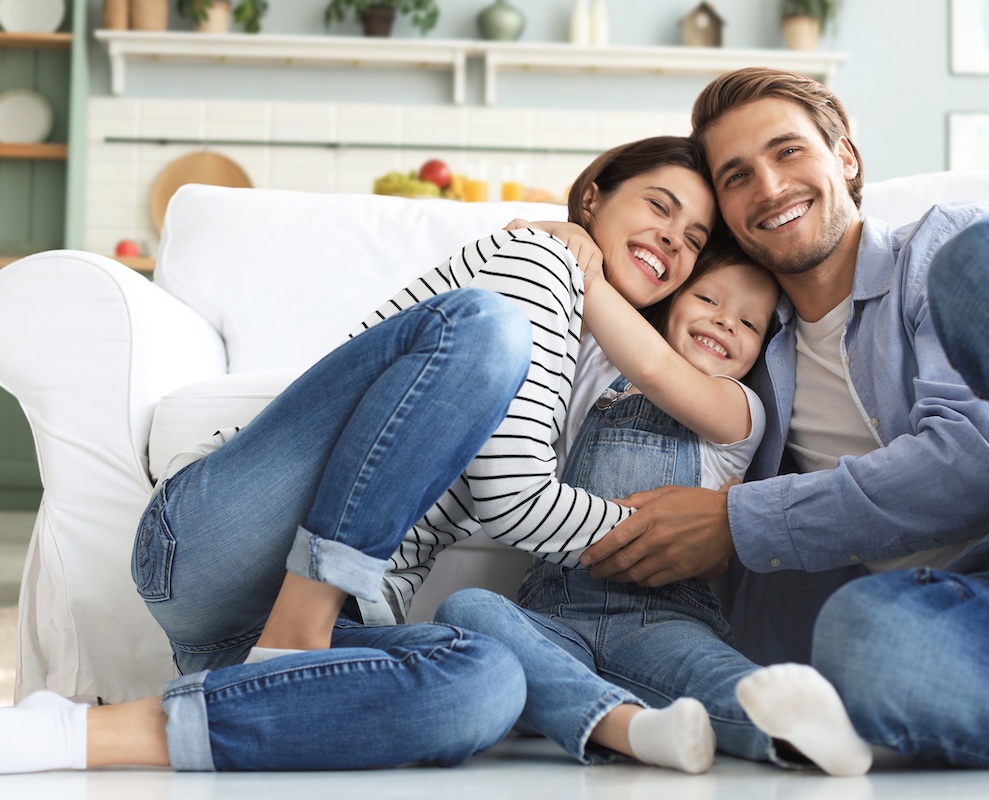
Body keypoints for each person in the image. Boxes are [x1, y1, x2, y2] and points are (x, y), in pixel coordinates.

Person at [0, 136, 717, 774]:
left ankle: (82, 735)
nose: (672, 241)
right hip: (222, 544)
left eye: (694, 239)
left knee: (487, 686)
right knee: (485, 327)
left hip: (293, 630)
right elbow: (514, 498)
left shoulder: (598, 356)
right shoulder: (542, 258)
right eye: (660, 205)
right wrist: (688, 536)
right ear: (593, 195)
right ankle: (297, 628)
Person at [580, 66, 989, 767]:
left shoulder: (936, 253)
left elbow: (983, 461)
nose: (771, 187)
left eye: (787, 152)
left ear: (844, 157)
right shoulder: (739, 347)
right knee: (861, 638)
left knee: (987, 261)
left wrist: (739, 522)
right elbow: (636, 315)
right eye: (737, 176)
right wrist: (568, 235)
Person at [437, 239, 874, 777]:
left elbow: (657, 370)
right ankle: (634, 727)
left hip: (662, 618)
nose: (725, 322)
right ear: (671, 300)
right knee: (468, 611)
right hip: (552, 617)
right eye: (709, 299)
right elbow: (588, 321)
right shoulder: (596, 375)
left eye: (749, 323)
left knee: (720, 677)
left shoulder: (741, 411)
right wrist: (558, 240)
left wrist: (592, 280)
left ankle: (803, 731)